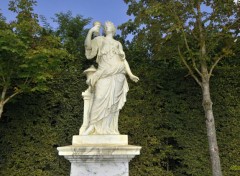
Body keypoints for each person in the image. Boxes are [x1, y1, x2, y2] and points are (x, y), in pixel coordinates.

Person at [82, 21, 139, 135]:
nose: (107, 26)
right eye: (106, 26)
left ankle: (109, 128)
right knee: (99, 97)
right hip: (103, 73)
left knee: (113, 103)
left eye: (109, 25)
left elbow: (123, 60)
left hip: (118, 74)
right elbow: (88, 47)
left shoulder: (118, 43)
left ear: (113, 29)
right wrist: (90, 32)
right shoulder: (100, 40)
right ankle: (92, 126)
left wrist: (130, 74)